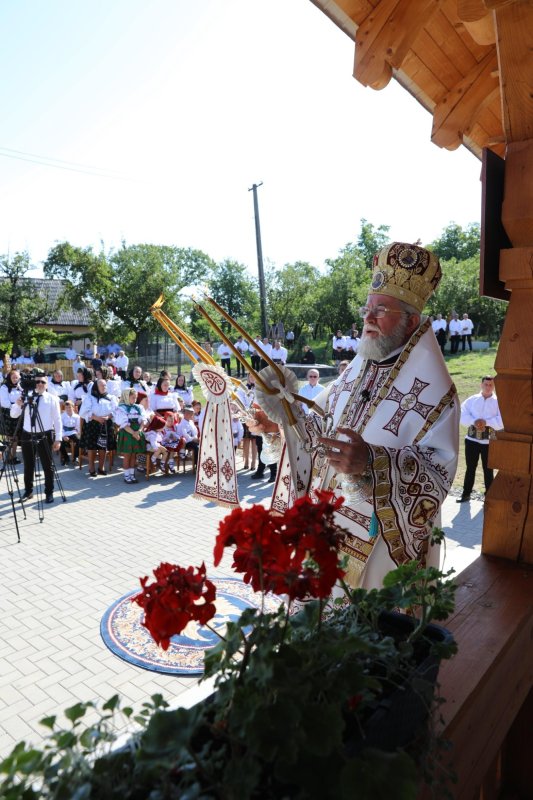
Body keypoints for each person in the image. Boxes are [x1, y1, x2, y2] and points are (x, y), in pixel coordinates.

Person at [250, 241, 460, 590]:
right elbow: (322, 426)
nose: (368, 317)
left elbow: (437, 472)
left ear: (411, 322)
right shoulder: (355, 371)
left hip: (383, 542)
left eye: (381, 309)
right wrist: (278, 425)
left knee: (371, 632)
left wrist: (372, 461)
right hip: (329, 524)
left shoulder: (436, 391)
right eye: (367, 308)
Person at [10, 374, 62, 503]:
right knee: (28, 465)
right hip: (28, 434)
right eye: (37, 382)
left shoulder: (52, 399)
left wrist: (58, 439)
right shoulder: (26, 397)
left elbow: (57, 420)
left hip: (45, 435)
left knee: (47, 466)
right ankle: (28, 491)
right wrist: (18, 404)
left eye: (42, 382)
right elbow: (13, 415)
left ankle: (49, 492)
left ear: (47, 385)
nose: (39, 384)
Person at [457, 376, 503, 503]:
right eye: (486, 384)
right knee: (470, 468)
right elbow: (461, 413)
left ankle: (489, 497)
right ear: (481, 385)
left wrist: (486, 422)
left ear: (494, 386)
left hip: (489, 442)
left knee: (488, 470)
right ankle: (466, 495)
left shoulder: (498, 402)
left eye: (491, 385)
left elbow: (502, 421)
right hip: (472, 440)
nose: (488, 387)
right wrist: (474, 421)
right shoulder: (472, 400)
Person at [79, 378, 117, 477]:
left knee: (103, 446)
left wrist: (108, 416)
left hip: (105, 424)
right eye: (102, 385)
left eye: (105, 385)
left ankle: (101, 467)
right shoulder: (89, 398)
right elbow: (83, 412)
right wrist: (96, 418)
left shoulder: (110, 397)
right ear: (96, 386)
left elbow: (115, 410)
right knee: (92, 447)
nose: (104, 387)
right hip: (93, 424)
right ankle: (91, 468)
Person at [115, 388, 147, 483]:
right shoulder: (121, 408)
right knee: (127, 455)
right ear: (126, 397)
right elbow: (124, 425)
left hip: (136, 433)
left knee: (134, 455)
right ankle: (126, 476)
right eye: (133, 397)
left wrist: (139, 431)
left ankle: (132, 475)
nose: (135, 400)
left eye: (136, 398)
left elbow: (143, 421)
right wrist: (133, 433)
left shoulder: (138, 407)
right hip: (127, 433)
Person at [59, 400, 81, 465]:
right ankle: (66, 458)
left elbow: (78, 426)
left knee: (79, 440)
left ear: (73, 407)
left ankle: (76, 457)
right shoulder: (62, 416)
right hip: (64, 432)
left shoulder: (77, 416)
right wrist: (63, 435)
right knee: (60, 442)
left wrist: (78, 433)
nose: (68, 409)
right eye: (66, 407)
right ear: (65, 408)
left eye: (69, 407)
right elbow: (60, 427)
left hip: (73, 431)